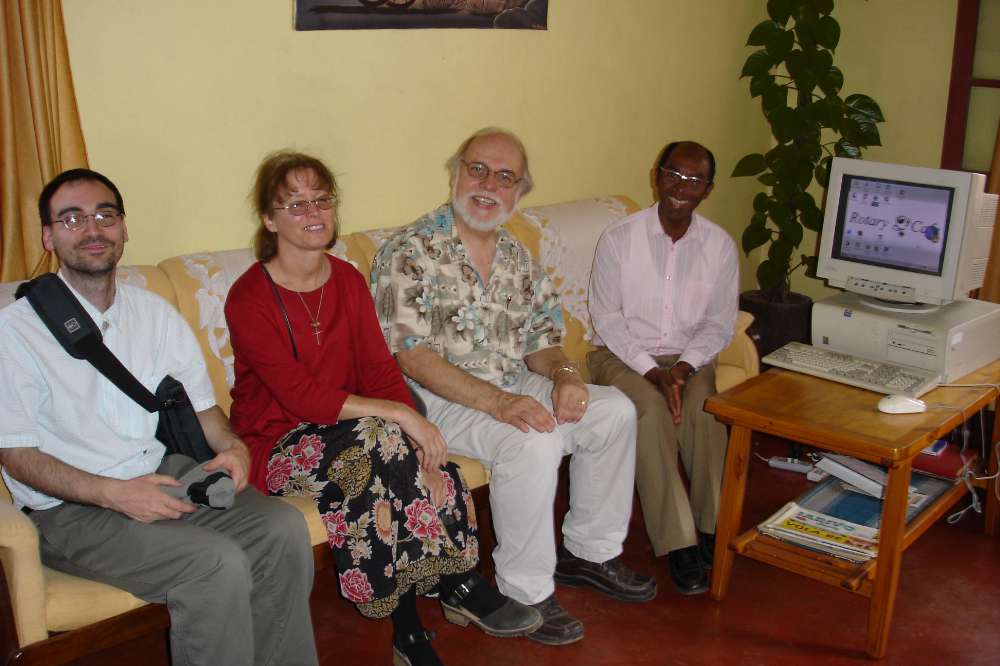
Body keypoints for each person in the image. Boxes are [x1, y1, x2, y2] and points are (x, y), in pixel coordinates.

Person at [225, 151, 541, 666]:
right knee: (380, 436)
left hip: (357, 439)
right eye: (295, 204)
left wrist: (419, 441)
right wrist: (403, 418)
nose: (313, 213)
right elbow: (302, 397)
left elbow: (378, 371)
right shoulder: (248, 298)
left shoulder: (348, 280)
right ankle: (452, 587)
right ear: (269, 219)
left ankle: (410, 631)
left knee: (386, 455)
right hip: (277, 446)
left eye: (322, 200)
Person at [0, 169, 318, 666]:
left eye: (105, 215)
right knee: (215, 564)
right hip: (70, 509)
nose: (92, 229)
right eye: (72, 219)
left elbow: (205, 411)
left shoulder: (155, 314)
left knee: (281, 528)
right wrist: (114, 494)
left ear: (124, 228)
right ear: (49, 236)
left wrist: (234, 448)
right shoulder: (16, 332)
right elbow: (16, 455)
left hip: (159, 474)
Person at [370, 128, 657, 647]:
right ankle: (526, 591)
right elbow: (410, 355)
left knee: (614, 410)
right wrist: (501, 404)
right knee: (531, 440)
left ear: (520, 191)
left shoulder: (515, 255)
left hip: (508, 380)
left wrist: (565, 377)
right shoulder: (408, 251)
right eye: (478, 169)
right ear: (455, 172)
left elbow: (542, 343)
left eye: (505, 177)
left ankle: (589, 554)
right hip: (433, 400)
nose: (489, 185)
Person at [587, 141, 738, 595]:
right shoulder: (620, 239)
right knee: (650, 413)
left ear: (708, 189)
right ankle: (679, 542)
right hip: (621, 356)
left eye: (694, 180)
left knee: (705, 411)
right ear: (657, 176)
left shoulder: (719, 246)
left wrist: (684, 369)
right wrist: (655, 374)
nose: (681, 187)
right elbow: (607, 317)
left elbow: (719, 323)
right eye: (674, 174)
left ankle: (712, 527)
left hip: (689, 357)